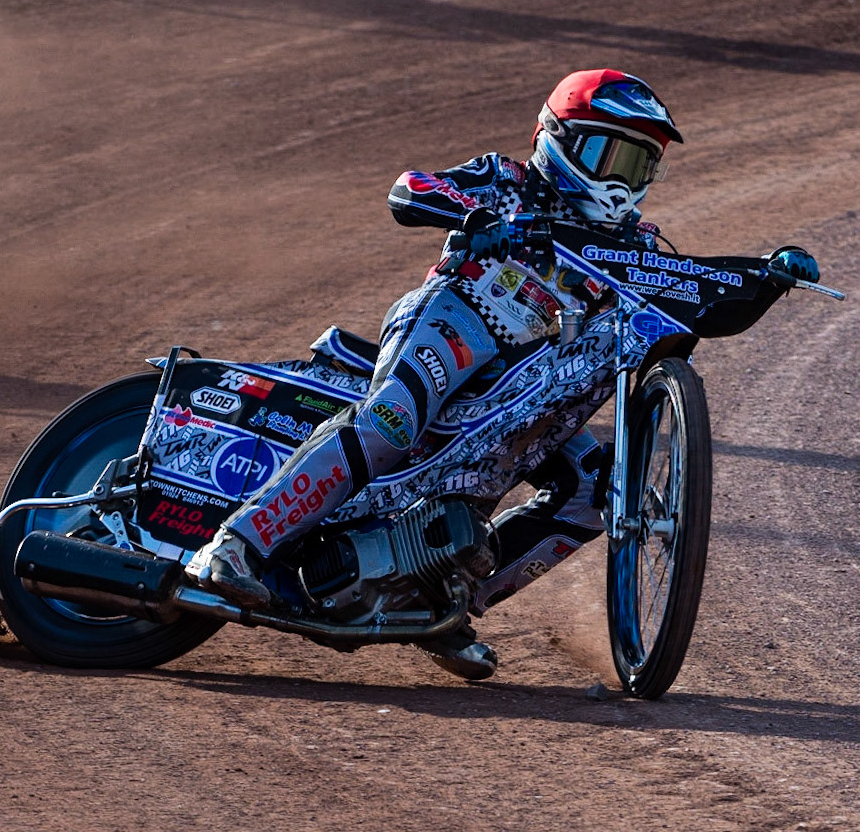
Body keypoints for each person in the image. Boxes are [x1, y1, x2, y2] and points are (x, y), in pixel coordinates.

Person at [182, 70, 822, 679]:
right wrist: (476, 218)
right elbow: (411, 189)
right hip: (455, 319)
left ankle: (444, 603)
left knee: (595, 489)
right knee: (392, 420)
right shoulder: (507, 180)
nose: (619, 180)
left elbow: (692, 290)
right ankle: (236, 546)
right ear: (559, 138)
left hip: (531, 382)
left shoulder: (640, 245)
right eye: (606, 155)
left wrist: (767, 276)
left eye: (636, 164)